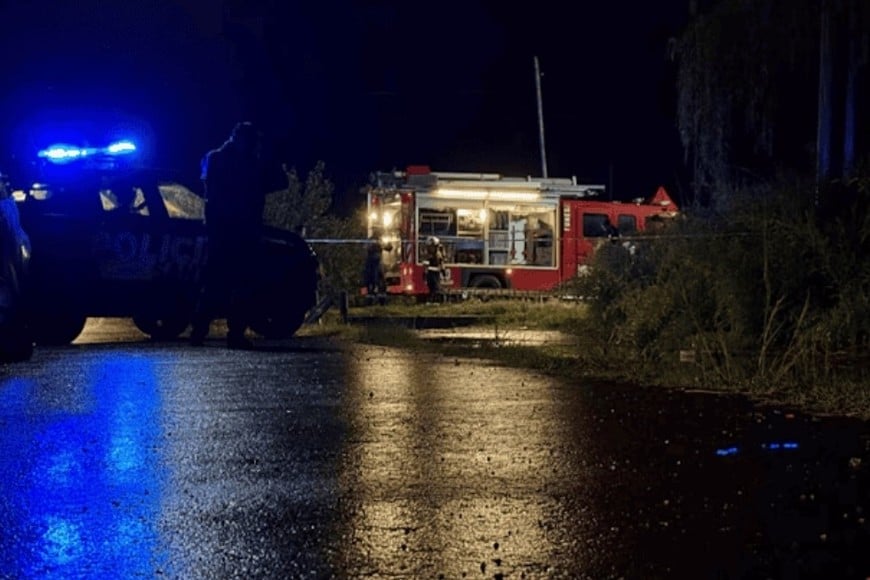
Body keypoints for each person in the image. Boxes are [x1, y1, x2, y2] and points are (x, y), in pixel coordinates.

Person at [190, 122, 266, 349]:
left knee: (217, 283)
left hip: (224, 231)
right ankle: (231, 333)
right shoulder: (239, 163)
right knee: (235, 284)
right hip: (234, 231)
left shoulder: (216, 158)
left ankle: (200, 331)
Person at [363, 236, 391, 306]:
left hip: (374, 267)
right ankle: (375, 301)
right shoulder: (375, 244)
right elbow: (388, 248)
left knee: (379, 284)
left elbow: (389, 248)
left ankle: (377, 301)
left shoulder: (373, 243)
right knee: (375, 284)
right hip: (373, 267)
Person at [423, 236, 445, 303]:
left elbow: (441, 262)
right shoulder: (428, 255)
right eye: (430, 246)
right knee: (432, 287)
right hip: (430, 273)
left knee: (436, 288)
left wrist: (443, 271)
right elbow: (426, 265)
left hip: (436, 273)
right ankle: (431, 301)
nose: (431, 248)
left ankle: (434, 301)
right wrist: (425, 274)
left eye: (432, 246)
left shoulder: (438, 254)